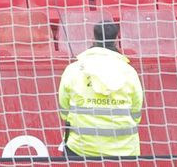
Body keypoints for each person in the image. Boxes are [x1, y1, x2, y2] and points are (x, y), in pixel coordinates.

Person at [59, 22, 143, 159]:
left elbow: (64, 111)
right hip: (125, 151)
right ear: (116, 38)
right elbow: (136, 114)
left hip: (80, 149)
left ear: (94, 37)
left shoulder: (73, 69)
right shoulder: (129, 72)